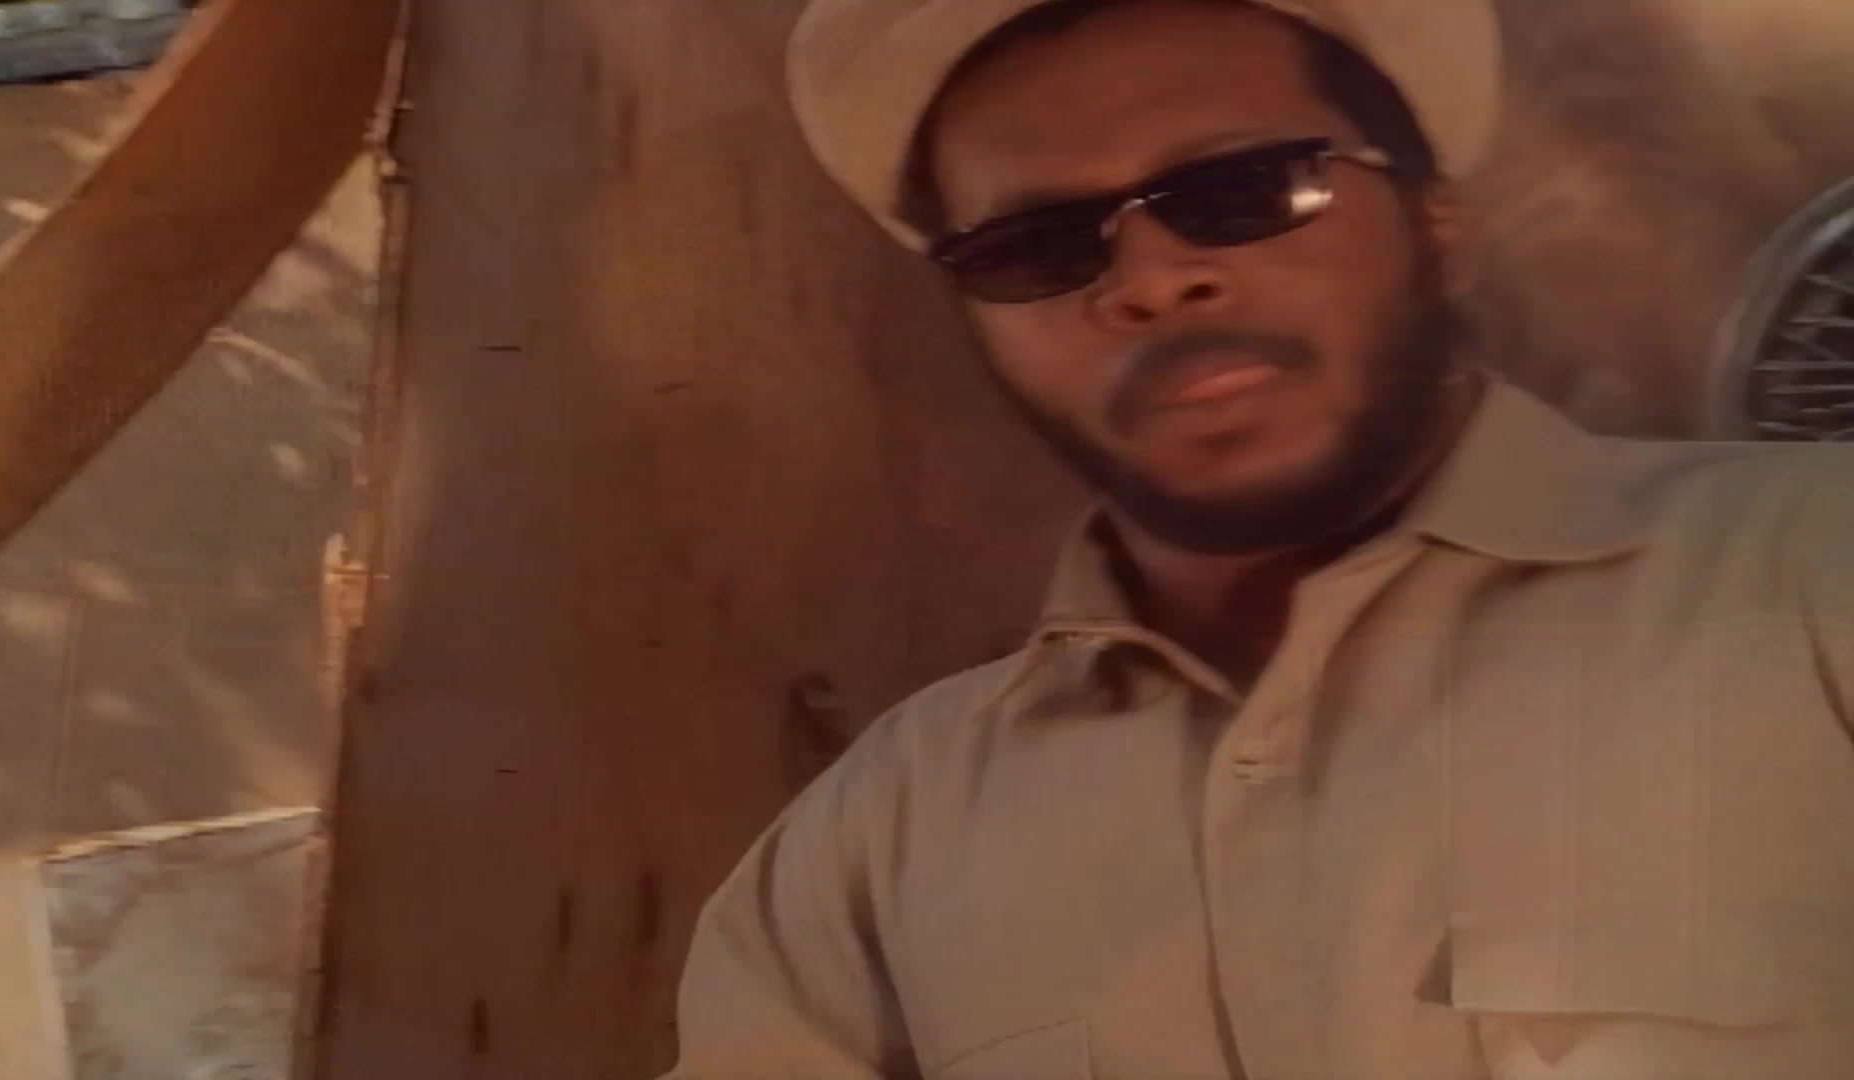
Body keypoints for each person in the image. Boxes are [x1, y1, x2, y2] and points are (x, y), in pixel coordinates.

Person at [661, 2, 1854, 1077]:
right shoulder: (881, 842)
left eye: (1243, 191)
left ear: (1438, 224)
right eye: (1036, 248)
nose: (1151, 279)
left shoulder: (1814, 572)